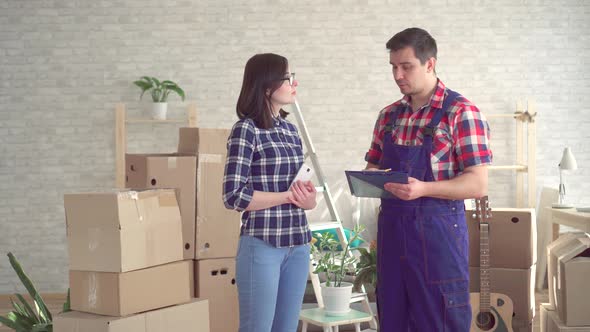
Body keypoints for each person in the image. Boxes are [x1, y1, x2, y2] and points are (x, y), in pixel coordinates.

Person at [364, 28, 492, 331]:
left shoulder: (461, 113)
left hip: (438, 238)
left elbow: (478, 184)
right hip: (393, 234)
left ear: (430, 64)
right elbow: (372, 167)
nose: (397, 74)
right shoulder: (388, 116)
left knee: (441, 321)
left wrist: (423, 189)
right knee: (393, 319)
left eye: (406, 66)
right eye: (393, 67)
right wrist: (368, 179)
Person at [223, 53, 317, 332]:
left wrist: (308, 200)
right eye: (287, 78)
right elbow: (233, 195)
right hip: (262, 245)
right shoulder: (246, 130)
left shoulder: (290, 131)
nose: (293, 82)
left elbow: (301, 191)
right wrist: (287, 197)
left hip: (298, 244)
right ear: (266, 86)